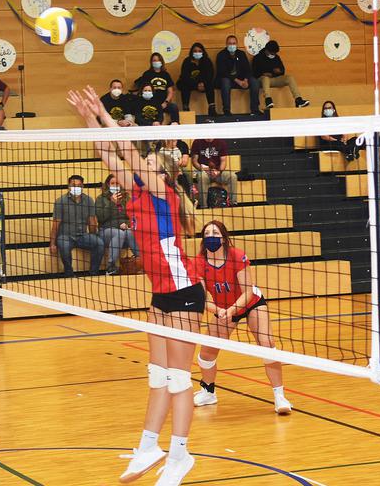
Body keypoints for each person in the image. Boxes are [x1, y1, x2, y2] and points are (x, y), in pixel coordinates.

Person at [68, 86, 203, 485]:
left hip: (184, 295)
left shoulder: (164, 195)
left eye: (147, 163)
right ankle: (149, 445)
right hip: (160, 297)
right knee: (157, 375)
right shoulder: (137, 195)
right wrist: (89, 117)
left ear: (161, 173)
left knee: (179, 378)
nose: (138, 165)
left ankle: (180, 454)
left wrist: (109, 117)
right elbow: (109, 154)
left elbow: (125, 149)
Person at [192, 220, 292, 414]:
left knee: (267, 344)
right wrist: (218, 311)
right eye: (207, 234)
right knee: (206, 353)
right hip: (224, 309)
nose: (211, 236)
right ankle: (208, 391)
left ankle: (280, 396)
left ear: (223, 237)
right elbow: (201, 298)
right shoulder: (199, 262)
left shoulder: (236, 256)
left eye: (216, 233)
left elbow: (247, 292)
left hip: (251, 303)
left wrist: (230, 310)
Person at [50, 175, 105, 276]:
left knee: (99, 243)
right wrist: (52, 243)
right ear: (69, 186)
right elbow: (55, 224)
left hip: (82, 235)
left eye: (79, 185)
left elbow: (92, 222)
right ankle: (69, 273)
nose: (77, 188)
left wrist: (93, 235)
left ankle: (93, 273)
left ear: (83, 186)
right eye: (74, 185)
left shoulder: (89, 200)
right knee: (64, 245)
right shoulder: (60, 201)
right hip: (65, 236)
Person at [95, 174, 139, 275]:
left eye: (117, 183)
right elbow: (101, 218)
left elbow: (133, 217)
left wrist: (127, 224)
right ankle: (111, 267)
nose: (115, 185)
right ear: (108, 185)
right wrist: (112, 203)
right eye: (112, 183)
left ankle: (142, 261)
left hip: (123, 231)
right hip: (105, 231)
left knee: (129, 233)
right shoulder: (101, 199)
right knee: (119, 233)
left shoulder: (127, 198)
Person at [252, 40, 310, 110]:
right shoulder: (257, 58)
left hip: (274, 79)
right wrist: (263, 73)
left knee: (289, 78)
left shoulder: (276, 57)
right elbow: (254, 73)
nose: (273, 55)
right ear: (267, 50)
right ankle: (268, 100)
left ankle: (298, 100)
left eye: (274, 53)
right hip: (262, 80)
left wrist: (278, 71)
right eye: (272, 53)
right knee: (265, 78)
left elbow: (282, 70)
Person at [216, 35, 260, 116]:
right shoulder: (221, 55)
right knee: (225, 81)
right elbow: (223, 72)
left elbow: (248, 69)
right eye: (230, 43)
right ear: (226, 44)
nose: (232, 45)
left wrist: (246, 80)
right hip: (228, 80)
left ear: (237, 44)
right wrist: (238, 81)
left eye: (234, 43)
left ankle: (255, 109)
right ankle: (226, 110)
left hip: (242, 80)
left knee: (254, 81)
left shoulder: (241, 54)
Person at [191, 138, 238, 208]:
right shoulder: (197, 141)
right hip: (204, 171)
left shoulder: (221, 142)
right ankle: (204, 206)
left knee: (233, 176)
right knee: (201, 177)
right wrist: (203, 169)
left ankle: (233, 203)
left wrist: (218, 171)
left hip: (218, 171)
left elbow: (223, 161)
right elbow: (194, 161)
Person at [155, 129, 194, 202]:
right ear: (168, 141)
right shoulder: (162, 150)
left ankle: (189, 194)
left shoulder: (177, 149)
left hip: (177, 168)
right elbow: (161, 162)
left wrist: (179, 162)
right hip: (166, 169)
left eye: (176, 141)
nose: (175, 142)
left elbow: (181, 160)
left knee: (182, 176)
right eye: (174, 141)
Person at [139, 53, 179, 123]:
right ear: (151, 62)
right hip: (150, 103)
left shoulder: (166, 75)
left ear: (161, 61)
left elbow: (170, 91)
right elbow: (142, 90)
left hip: (163, 103)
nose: (156, 62)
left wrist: (166, 102)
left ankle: (175, 124)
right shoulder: (147, 74)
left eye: (158, 60)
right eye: (154, 60)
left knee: (174, 107)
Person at [177, 43, 215, 114]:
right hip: (191, 83)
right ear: (192, 52)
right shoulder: (187, 61)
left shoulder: (207, 61)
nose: (197, 53)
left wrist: (203, 83)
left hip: (204, 84)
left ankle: (212, 108)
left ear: (203, 52)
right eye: (195, 51)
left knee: (210, 84)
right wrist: (196, 84)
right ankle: (185, 107)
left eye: (199, 51)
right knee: (183, 85)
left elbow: (210, 75)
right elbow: (185, 76)